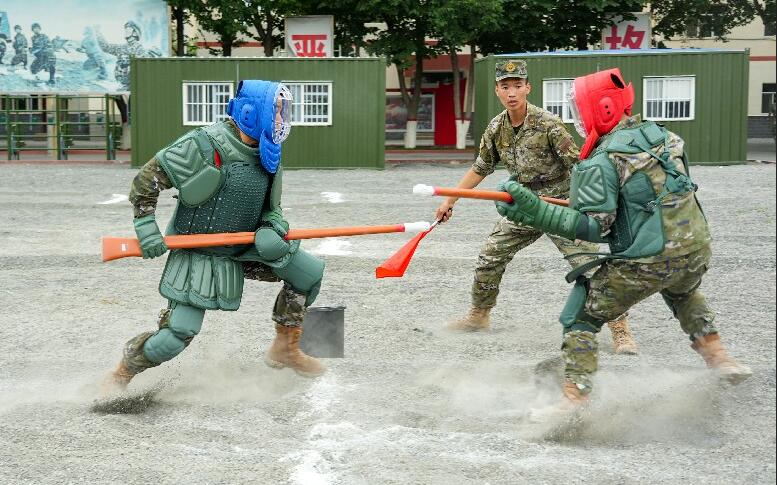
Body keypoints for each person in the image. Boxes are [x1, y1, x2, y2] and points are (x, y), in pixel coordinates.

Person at [494, 68, 752, 414]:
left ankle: (574, 398)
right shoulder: (666, 137)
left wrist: (534, 213)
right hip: (695, 249)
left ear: (603, 109)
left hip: (647, 260)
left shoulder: (603, 159)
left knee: (580, 316)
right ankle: (720, 358)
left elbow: (593, 227)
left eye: (582, 110)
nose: (579, 120)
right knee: (683, 289)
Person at [104, 80, 327, 392]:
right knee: (177, 335)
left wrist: (274, 228)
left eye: (282, 112)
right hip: (200, 250)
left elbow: (272, 208)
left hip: (245, 243)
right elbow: (146, 179)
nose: (280, 119)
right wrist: (145, 226)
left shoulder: (268, 149)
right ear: (251, 111)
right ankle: (121, 374)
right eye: (274, 111)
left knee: (310, 274)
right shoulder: (205, 144)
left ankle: (286, 348)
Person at [437, 59, 638, 354]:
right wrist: (450, 200)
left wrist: (590, 201)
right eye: (506, 87)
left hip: (561, 206)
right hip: (524, 206)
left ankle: (621, 331)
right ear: (497, 91)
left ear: (528, 88)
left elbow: (579, 165)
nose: (512, 93)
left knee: (589, 265)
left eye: (517, 86)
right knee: (489, 256)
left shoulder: (548, 124)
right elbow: (481, 168)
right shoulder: (496, 128)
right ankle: (479, 316)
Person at [97, 21, 148, 90]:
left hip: (134, 86)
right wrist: (98, 34)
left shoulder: (140, 50)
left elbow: (142, 70)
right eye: (125, 29)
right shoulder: (122, 48)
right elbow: (106, 47)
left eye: (129, 29)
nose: (126, 31)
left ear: (135, 33)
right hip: (122, 85)